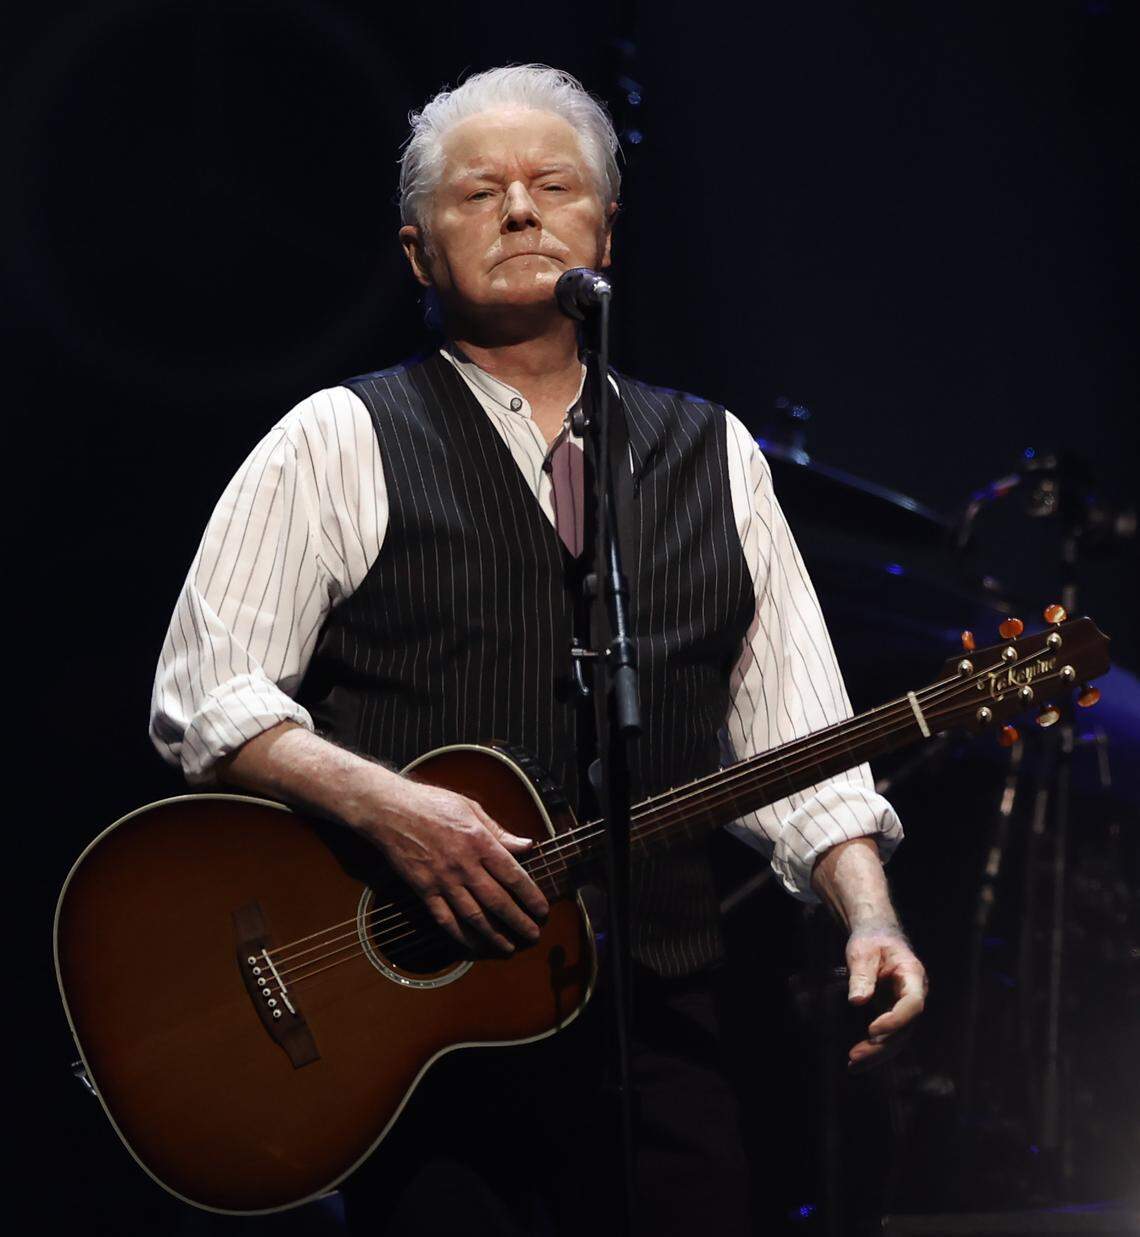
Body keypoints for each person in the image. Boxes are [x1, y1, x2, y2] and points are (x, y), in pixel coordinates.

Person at [151, 64, 927, 1236]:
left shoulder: (714, 455)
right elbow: (204, 697)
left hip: (659, 1024)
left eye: (552, 185)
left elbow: (804, 740)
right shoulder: (337, 438)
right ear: (417, 253)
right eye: (479, 193)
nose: (520, 210)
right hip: (424, 1041)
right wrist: (397, 809)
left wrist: (868, 911)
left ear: (604, 229)